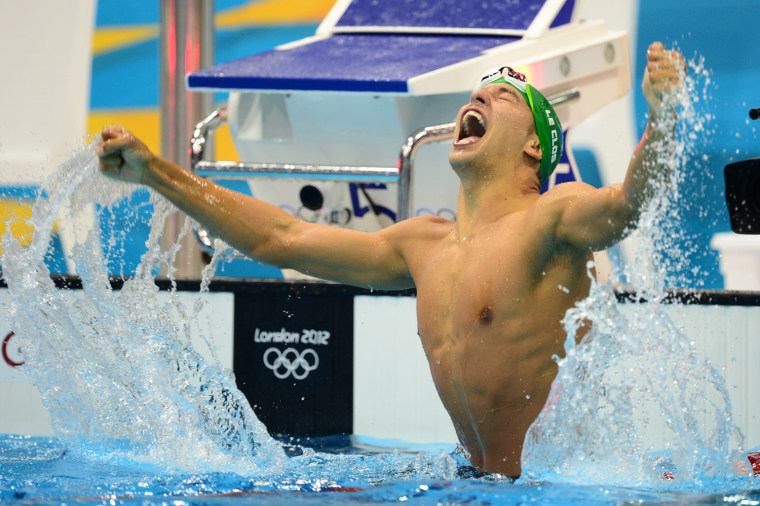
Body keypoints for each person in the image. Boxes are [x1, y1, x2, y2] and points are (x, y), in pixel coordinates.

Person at [96, 42, 685, 478]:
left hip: (551, 491)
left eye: (502, 96)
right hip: (473, 484)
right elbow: (280, 239)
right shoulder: (424, 245)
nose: (477, 97)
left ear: (535, 146)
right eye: (476, 92)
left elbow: (629, 205)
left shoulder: (550, 221)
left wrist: (661, 120)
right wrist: (156, 173)